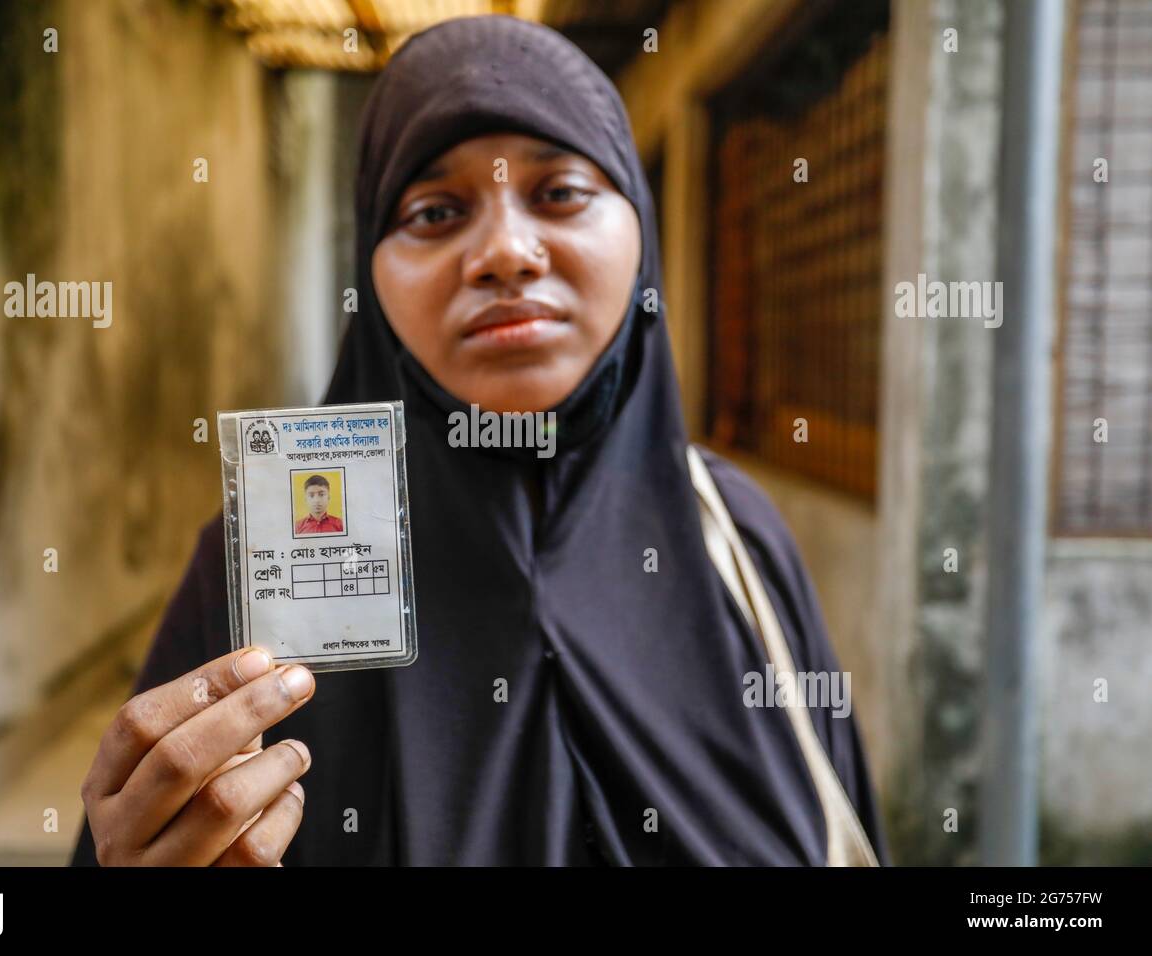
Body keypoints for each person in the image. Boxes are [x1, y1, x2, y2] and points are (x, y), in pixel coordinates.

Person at [71, 14, 889, 866]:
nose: (503, 253)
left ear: (640, 231)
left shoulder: (737, 541)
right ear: (371, 274)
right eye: (434, 211)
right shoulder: (261, 569)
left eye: (561, 193)